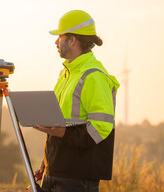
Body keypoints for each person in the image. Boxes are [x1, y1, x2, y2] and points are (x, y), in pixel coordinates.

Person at [33, 10, 120, 192]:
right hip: (55, 170)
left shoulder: (93, 76)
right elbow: (59, 124)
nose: (56, 41)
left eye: (60, 36)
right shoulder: (66, 74)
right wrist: (47, 160)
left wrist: (64, 133)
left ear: (72, 40)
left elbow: (101, 127)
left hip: (77, 177)